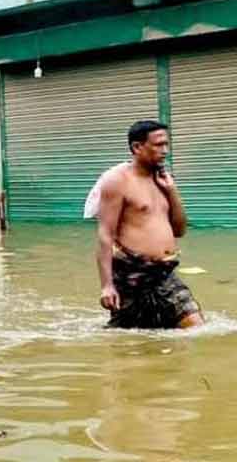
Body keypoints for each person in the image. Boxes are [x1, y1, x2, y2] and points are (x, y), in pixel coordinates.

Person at [94, 120, 204, 329]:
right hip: (132, 275)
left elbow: (180, 230)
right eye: (158, 145)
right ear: (137, 147)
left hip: (164, 273)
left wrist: (172, 191)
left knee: (197, 329)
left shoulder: (163, 180)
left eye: (167, 145)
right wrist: (107, 286)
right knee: (128, 340)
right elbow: (105, 235)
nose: (165, 151)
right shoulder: (117, 181)